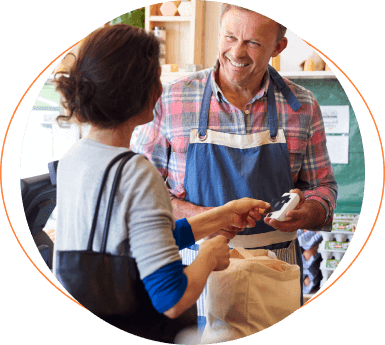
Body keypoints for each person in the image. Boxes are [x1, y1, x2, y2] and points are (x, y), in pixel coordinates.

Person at [51, 23, 270, 342]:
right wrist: (210, 254)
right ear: (146, 91)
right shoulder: (136, 172)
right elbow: (172, 299)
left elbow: (140, 242)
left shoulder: (76, 156)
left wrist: (223, 215)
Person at [131, 4, 338, 325]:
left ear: (278, 47)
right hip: (192, 268)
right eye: (229, 37)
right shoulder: (171, 100)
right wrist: (207, 219)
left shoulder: (304, 106)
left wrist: (307, 212)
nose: (237, 52)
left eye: (253, 43)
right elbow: (141, 195)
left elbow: (323, 188)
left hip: (273, 270)